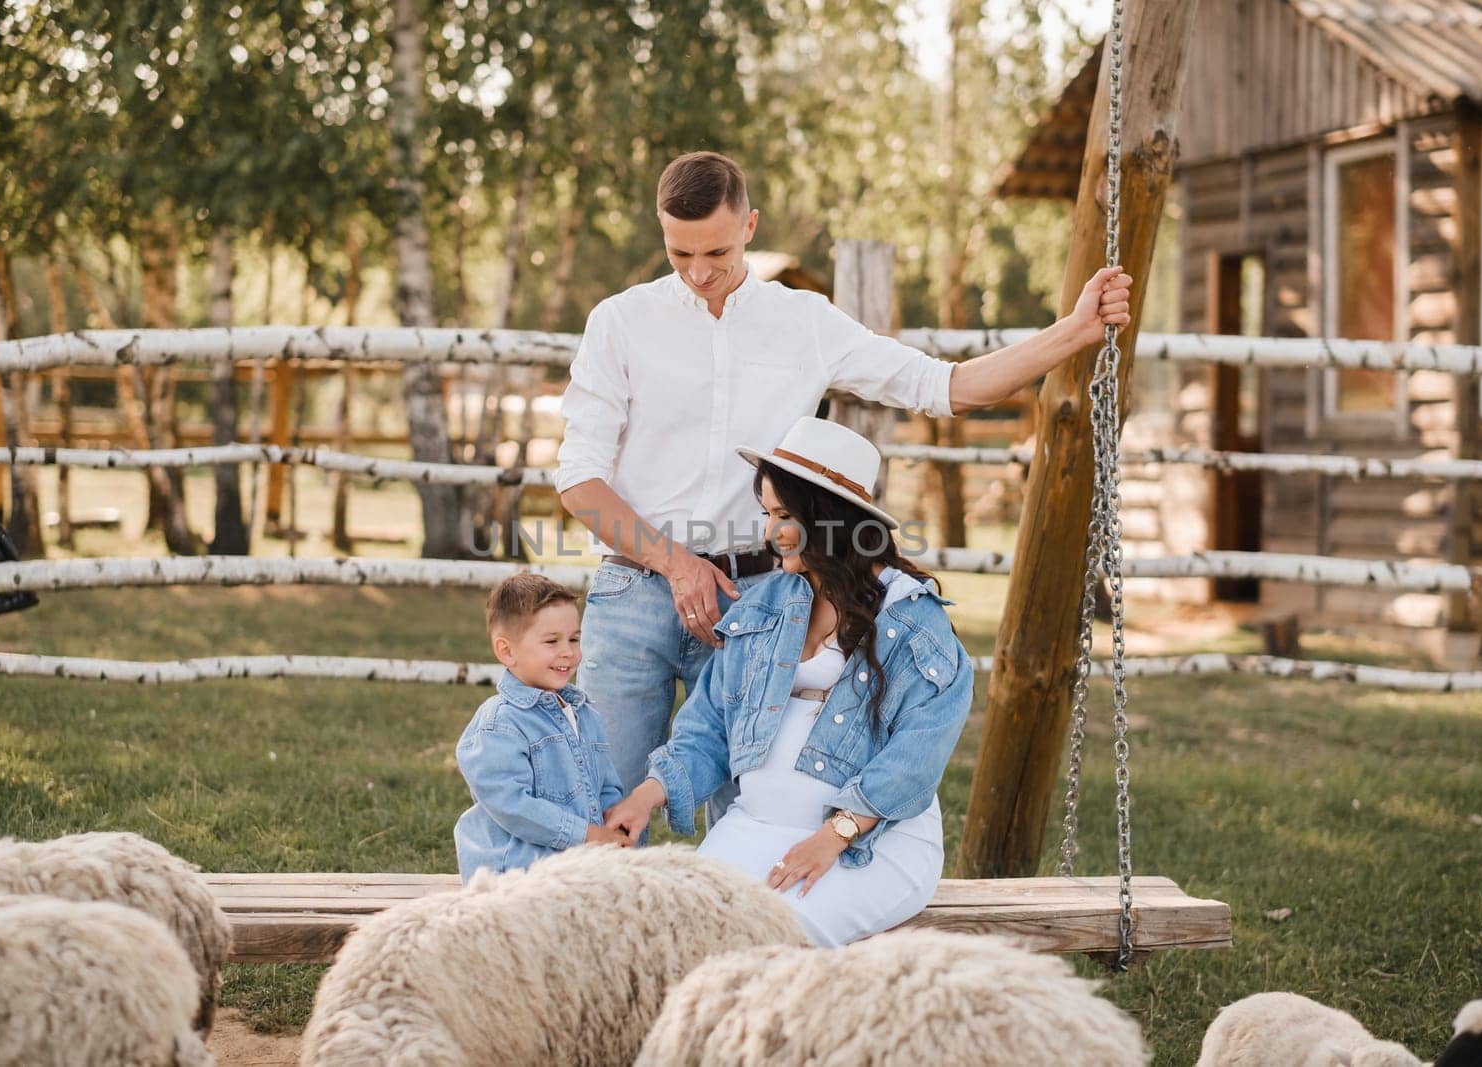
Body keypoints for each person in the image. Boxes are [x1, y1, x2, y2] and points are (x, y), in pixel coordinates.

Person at [555, 150, 1132, 793]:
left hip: (760, 600)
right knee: (603, 802)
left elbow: (947, 386)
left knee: (750, 811)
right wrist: (678, 564)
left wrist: (1075, 331)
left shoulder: (805, 322)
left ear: (750, 225)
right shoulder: (619, 322)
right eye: (679, 254)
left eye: (715, 253)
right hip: (634, 596)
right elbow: (580, 477)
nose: (698, 273)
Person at [605, 417, 971, 946]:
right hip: (754, 827)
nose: (769, 531)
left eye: (783, 515)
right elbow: (708, 729)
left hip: (869, 845)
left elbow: (915, 758)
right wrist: (646, 796)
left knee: (772, 940)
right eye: (766, 513)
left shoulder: (914, 622)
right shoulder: (762, 607)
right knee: (673, 936)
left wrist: (832, 837)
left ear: (830, 521)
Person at [453, 574, 630, 882]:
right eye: (552, 641)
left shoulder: (586, 715)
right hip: (514, 873)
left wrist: (616, 826)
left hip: (577, 865)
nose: (568, 652)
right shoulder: (500, 723)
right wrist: (587, 835)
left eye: (574, 639)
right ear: (507, 651)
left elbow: (606, 787)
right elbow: (512, 805)